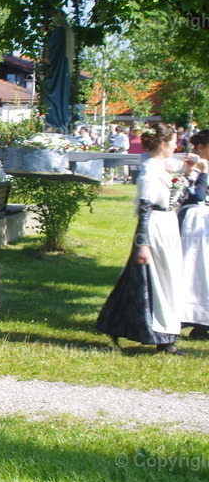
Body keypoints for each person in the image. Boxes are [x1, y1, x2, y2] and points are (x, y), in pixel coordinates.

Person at [96, 122, 190, 354]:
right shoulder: (149, 172)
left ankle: (153, 332)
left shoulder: (161, 165)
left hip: (166, 224)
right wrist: (143, 243)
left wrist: (190, 168)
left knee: (158, 279)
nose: (177, 146)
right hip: (156, 228)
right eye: (173, 142)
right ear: (162, 144)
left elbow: (175, 166)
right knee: (157, 280)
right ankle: (163, 337)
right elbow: (145, 209)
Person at [179, 129, 209, 340]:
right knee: (193, 268)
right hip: (195, 224)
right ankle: (186, 315)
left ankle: (203, 321)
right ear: (200, 147)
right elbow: (194, 196)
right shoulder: (193, 167)